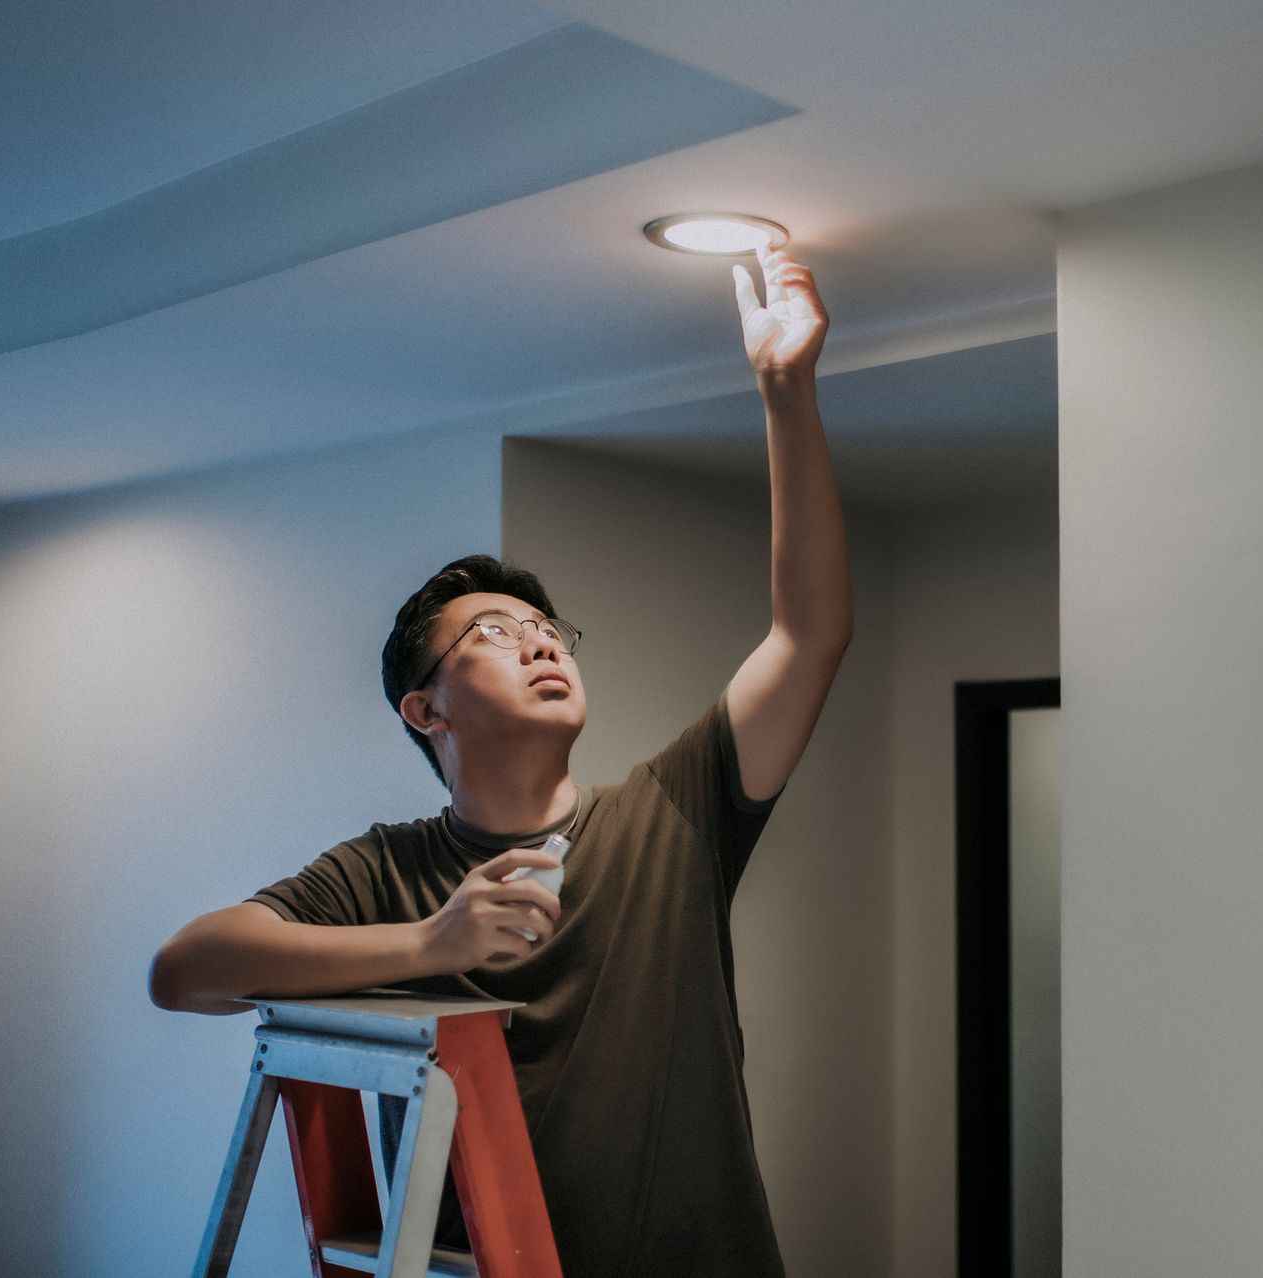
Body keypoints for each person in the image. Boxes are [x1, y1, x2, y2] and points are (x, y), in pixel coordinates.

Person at [149, 244, 849, 1277]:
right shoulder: (385, 874)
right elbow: (186, 972)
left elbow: (809, 635)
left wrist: (786, 390)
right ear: (424, 707)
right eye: (492, 631)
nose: (539, 642)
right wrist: (428, 943)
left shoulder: (673, 813)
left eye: (549, 630)